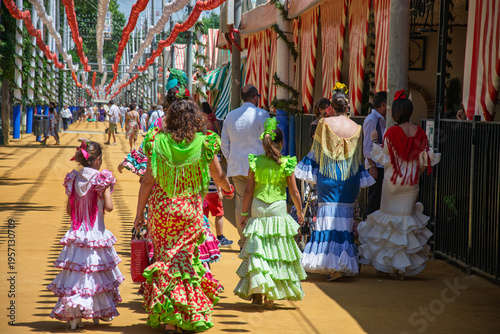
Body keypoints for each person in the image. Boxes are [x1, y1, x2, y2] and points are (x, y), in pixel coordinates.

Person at [133, 97, 234, 334]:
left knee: (165, 259)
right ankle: (183, 314)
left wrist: (139, 214)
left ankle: (169, 317)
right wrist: (228, 189)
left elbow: (148, 180)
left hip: (161, 210)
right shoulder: (203, 143)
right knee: (185, 261)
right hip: (189, 210)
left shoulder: (157, 142)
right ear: (195, 119)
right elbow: (218, 176)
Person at [295, 83, 375, 281]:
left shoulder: (324, 125)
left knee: (327, 220)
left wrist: (307, 168)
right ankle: (342, 263)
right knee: (345, 222)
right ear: (347, 107)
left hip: (328, 177)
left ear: (331, 106)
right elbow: (356, 157)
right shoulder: (356, 128)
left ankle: (329, 262)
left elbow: (317, 152)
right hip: (349, 179)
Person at [357, 90, 440, 278]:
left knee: (388, 222)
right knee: (406, 223)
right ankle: (403, 268)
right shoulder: (419, 131)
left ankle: (388, 265)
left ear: (395, 112)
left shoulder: (391, 131)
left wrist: (374, 140)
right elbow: (425, 160)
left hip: (392, 181)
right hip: (411, 183)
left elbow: (385, 157)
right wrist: (415, 176)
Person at [47, 141, 123, 330]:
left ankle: (75, 318)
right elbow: (109, 207)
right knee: (95, 274)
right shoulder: (102, 178)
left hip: (77, 233)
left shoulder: (73, 178)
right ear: (98, 160)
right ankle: (100, 311)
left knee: (77, 275)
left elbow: (68, 209)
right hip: (96, 233)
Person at [234, 117, 306, 309]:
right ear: (281, 143)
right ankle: (271, 295)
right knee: (275, 250)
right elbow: (294, 192)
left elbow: (248, 191)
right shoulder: (286, 163)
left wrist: (243, 213)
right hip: (277, 208)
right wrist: (300, 212)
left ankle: (258, 292)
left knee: (259, 250)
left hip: (258, 206)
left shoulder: (255, 162)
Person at [221, 84, 269, 249]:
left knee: (241, 205)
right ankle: (257, 241)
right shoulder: (263, 114)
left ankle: (244, 241)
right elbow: (268, 141)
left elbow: (224, 144)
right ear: (255, 97)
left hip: (237, 167)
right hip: (259, 167)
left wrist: (231, 159)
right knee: (259, 203)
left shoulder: (230, 116)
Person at [363, 91, 387, 216]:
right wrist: (372, 166)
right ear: (383, 104)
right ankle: (367, 227)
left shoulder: (381, 119)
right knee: (374, 198)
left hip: (380, 164)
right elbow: (367, 146)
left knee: (378, 199)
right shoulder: (372, 119)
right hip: (375, 165)